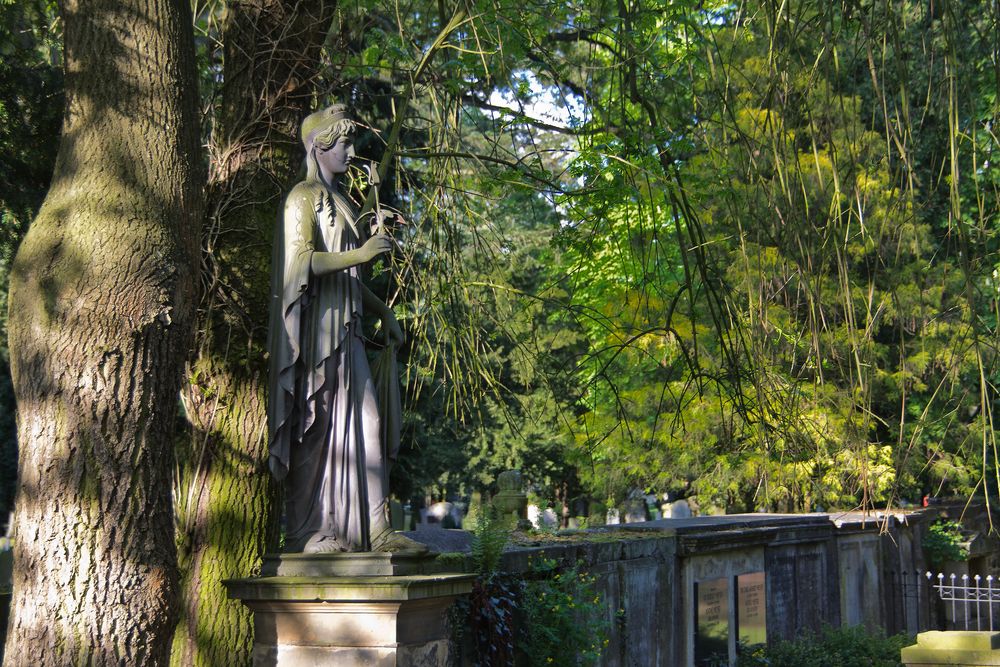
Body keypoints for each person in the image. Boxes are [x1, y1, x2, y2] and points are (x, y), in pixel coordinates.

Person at [267, 104, 419, 553]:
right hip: (316, 333)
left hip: (347, 328)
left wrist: (383, 311)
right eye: (344, 143)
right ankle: (305, 533)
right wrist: (362, 254)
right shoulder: (302, 197)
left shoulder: (344, 203)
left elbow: (351, 280)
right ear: (319, 146)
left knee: (366, 421)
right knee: (314, 428)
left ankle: (376, 530)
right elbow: (301, 263)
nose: (352, 152)